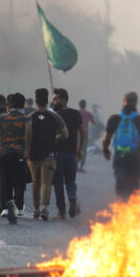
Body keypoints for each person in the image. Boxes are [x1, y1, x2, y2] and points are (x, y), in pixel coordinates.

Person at [26, 88, 67, 220]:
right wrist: (55, 138)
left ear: (36, 101)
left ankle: (36, 209)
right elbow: (66, 134)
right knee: (46, 182)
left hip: (33, 156)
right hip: (49, 155)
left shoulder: (30, 117)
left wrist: (26, 151)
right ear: (47, 100)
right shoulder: (55, 116)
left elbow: (26, 136)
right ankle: (45, 207)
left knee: (35, 182)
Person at [0, 93, 30, 224]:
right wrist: (27, 150)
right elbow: (29, 133)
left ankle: (6, 208)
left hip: (3, 154)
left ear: (9, 104)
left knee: (5, 181)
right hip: (19, 154)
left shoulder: (1, 117)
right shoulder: (25, 118)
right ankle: (19, 206)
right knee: (19, 182)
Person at [102, 92, 140, 200]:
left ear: (123, 101)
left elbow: (106, 138)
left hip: (120, 155)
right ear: (136, 102)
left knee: (121, 182)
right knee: (135, 183)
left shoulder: (115, 118)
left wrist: (105, 150)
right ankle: (133, 208)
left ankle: (122, 204)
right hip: (136, 156)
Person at [51, 88, 84, 219]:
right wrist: (79, 150)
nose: (53, 101)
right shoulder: (76, 113)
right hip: (72, 154)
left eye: (55, 99)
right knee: (71, 181)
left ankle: (61, 212)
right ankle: (72, 196)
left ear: (63, 100)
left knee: (58, 182)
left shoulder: (55, 116)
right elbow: (82, 132)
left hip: (58, 153)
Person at [77, 99, 96, 172]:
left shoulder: (77, 113)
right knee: (84, 150)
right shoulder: (88, 113)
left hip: (78, 133)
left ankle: (76, 166)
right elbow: (93, 122)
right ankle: (81, 166)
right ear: (85, 105)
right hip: (85, 133)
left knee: (77, 149)